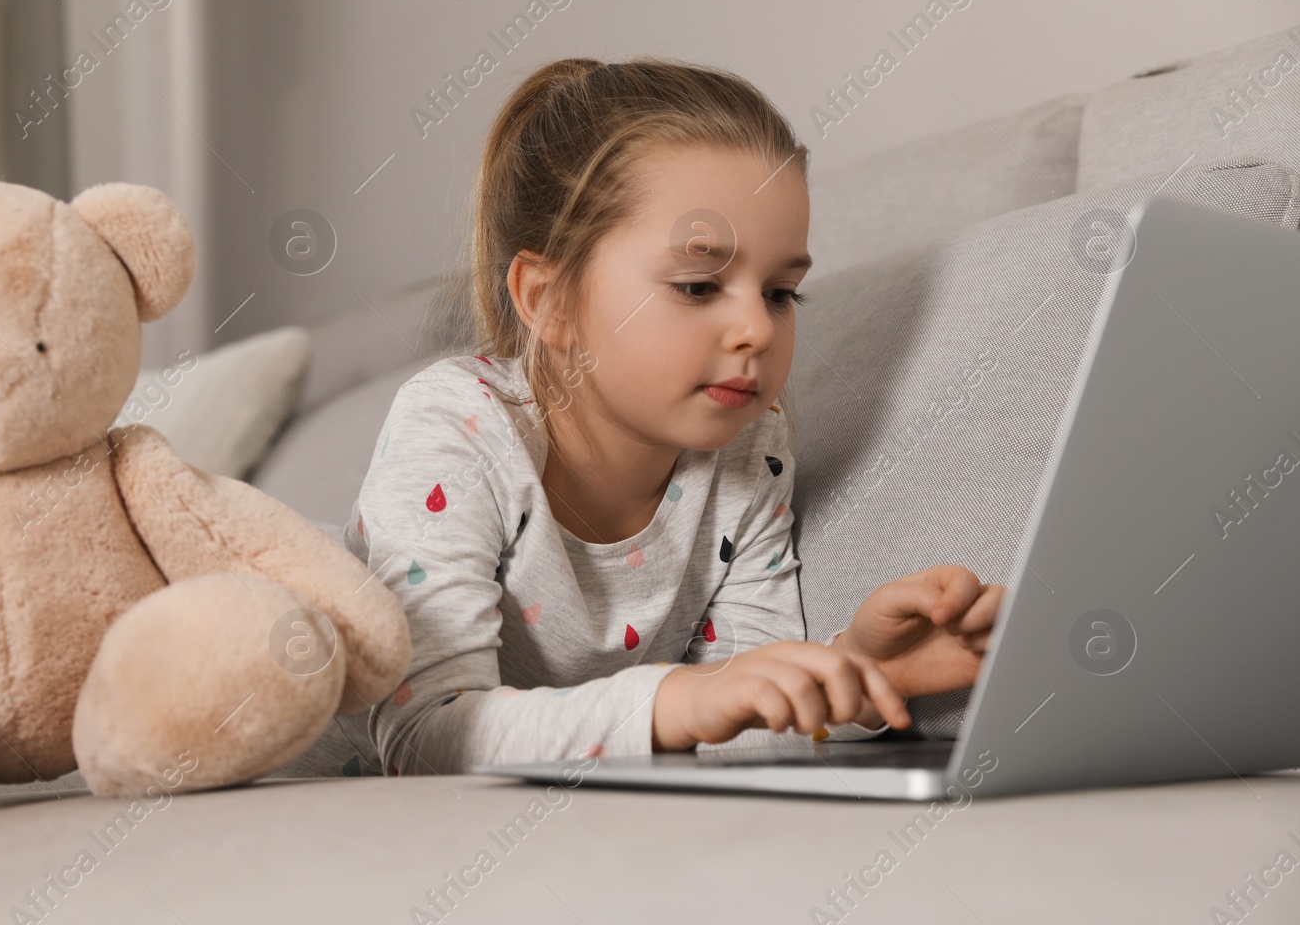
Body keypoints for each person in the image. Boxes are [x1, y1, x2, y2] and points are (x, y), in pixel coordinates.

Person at [342, 56, 1003, 776]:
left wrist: (860, 677)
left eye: (782, 292)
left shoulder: (753, 449)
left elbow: (738, 715)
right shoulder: (457, 428)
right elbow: (425, 737)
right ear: (549, 300)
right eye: (697, 284)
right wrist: (674, 701)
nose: (756, 328)